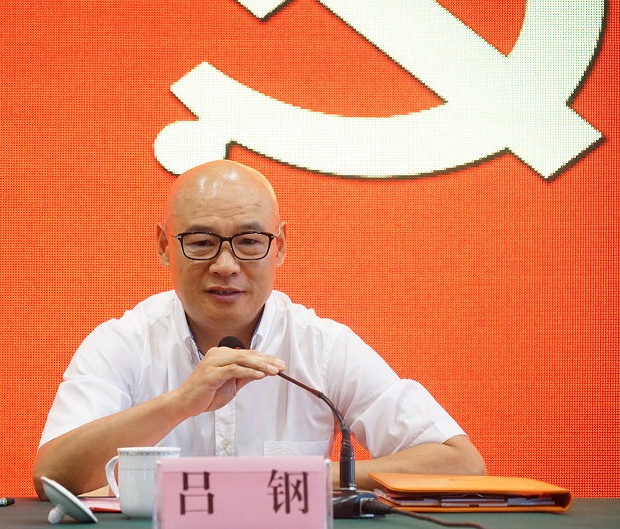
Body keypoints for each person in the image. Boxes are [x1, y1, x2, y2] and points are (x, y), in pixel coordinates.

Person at [33, 160, 485, 499]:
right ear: (165, 247)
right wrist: (178, 404)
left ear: (279, 247)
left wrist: (295, 479)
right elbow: (53, 478)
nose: (225, 265)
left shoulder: (322, 347)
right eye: (201, 242)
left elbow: (460, 463)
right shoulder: (122, 343)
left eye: (249, 241)